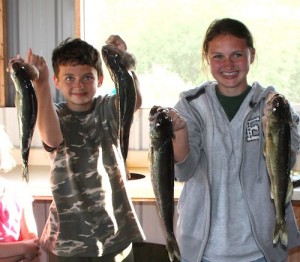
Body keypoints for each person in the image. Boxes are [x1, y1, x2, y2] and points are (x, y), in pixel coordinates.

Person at [168, 18, 300, 262]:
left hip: (261, 250)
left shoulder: (274, 105)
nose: (228, 64)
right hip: (201, 250)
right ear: (207, 58)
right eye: (218, 56)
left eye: (237, 54)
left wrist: (273, 131)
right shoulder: (190, 105)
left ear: (252, 55)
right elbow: (183, 170)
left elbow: (286, 162)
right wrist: (180, 134)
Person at [21, 36, 145, 261]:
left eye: (87, 77)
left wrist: (122, 62)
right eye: (69, 78)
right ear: (57, 81)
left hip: (115, 236)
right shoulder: (54, 114)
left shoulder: (107, 108)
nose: (78, 84)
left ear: (99, 79)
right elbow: (52, 137)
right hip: (68, 242)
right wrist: (41, 84)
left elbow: (133, 100)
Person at [0, 126, 40, 261]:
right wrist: (22, 248)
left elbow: (33, 246)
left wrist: (26, 249)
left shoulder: (18, 192)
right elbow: (27, 247)